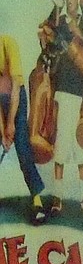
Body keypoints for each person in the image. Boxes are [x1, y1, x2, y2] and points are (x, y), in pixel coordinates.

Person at [38, 0, 83, 214]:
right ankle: (58, 199)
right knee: (62, 146)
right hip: (63, 88)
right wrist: (46, 38)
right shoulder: (57, 17)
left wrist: (79, 38)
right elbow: (47, 51)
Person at [0, 33, 48, 225]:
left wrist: (11, 124)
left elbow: (15, 90)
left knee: (22, 147)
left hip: (15, 99)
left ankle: (37, 201)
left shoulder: (8, 43)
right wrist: (3, 131)